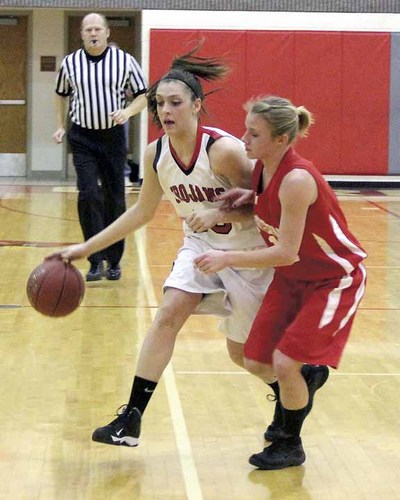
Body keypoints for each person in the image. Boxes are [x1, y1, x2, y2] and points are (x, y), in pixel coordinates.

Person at [47, 48, 274, 447]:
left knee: (243, 356)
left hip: (247, 256)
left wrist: (225, 211)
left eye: (175, 102)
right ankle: (130, 420)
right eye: (158, 104)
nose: (165, 111)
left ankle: (295, 385)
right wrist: (85, 249)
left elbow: (267, 206)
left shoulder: (224, 151)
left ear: (196, 105)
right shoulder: (156, 155)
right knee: (168, 311)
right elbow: (140, 213)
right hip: (201, 248)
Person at [194, 95, 367, 470]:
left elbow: (285, 252)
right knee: (255, 360)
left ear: (281, 140)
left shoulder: (298, 179)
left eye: (253, 134)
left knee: (285, 363)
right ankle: (306, 381)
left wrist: (226, 257)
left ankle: (290, 443)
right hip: (293, 279)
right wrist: (247, 198)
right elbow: (269, 213)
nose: (243, 140)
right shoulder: (263, 169)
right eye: (245, 130)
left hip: (333, 279)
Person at [52, 13, 148, 282]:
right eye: (88, 29)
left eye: (97, 29)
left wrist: (128, 112)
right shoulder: (71, 63)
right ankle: (94, 260)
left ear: (107, 33)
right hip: (82, 137)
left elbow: (143, 95)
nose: (93, 33)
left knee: (115, 197)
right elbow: (60, 94)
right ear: (82, 34)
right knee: (88, 194)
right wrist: (61, 125)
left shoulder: (125, 61)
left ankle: (114, 260)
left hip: (113, 138)